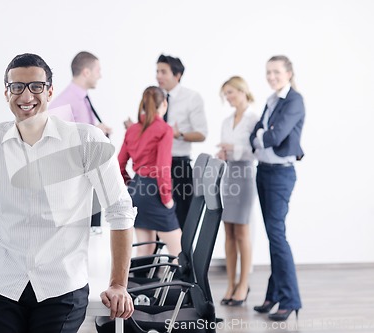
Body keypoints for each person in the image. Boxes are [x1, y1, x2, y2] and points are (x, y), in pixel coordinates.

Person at [0, 53, 135, 333]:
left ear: (50, 91)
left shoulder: (87, 141)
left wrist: (118, 284)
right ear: (7, 92)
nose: (26, 94)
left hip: (62, 287)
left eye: (36, 86)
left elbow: (119, 211)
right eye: (16, 86)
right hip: (1, 285)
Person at [250, 55, 305, 321]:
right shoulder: (272, 100)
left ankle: (290, 299)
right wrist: (261, 135)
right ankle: (274, 295)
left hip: (280, 175)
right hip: (263, 172)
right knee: (274, 236)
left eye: (276, 72)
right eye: (268, 72)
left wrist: (262, 135)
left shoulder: (295, 100)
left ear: (289, 73)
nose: (271, 76)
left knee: (277, 236)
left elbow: (274, 136)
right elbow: (256, 134)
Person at [125, 55, 208, 229]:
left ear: (177, 75)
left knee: (182, 221)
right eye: (157, 71)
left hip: (178, 168)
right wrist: (137, 131)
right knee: (150, 227)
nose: (158, 76)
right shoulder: (153, 96)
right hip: (152, 172)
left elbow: (202, 134)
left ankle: (180, 256)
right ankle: (154, 257)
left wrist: (177, 134)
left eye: (164, 72)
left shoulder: (192, 98)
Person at [49, 51, 112, 234]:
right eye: (97, 70)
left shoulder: (81, 98)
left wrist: (97, 129)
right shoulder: (65, 101)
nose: (100, 75)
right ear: (86, 72)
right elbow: (52, 140)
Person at [118, 86, 182, 259]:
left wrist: (131, 185)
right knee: (180, 253)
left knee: (144, 249)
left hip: (137, 190)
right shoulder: (164, 129)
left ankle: (137, 286)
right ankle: (183, 287)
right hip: (155, 192)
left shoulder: (132, 129)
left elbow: (119, 164)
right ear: (164, 104)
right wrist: (167, 197)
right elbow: (162, 168)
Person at [215, 76, 259, 307]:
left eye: (230, 92)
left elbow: (256, 151)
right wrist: (223, 153)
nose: (228, 98)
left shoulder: (254, 119)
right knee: (229, 232)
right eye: (226, 94)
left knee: (242, 231)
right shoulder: (226, 121)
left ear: (242, 91)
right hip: (228, 175)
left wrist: (234, 149)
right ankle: (231, 283)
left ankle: (244, 283)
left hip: (245, 176)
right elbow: (226, 148)